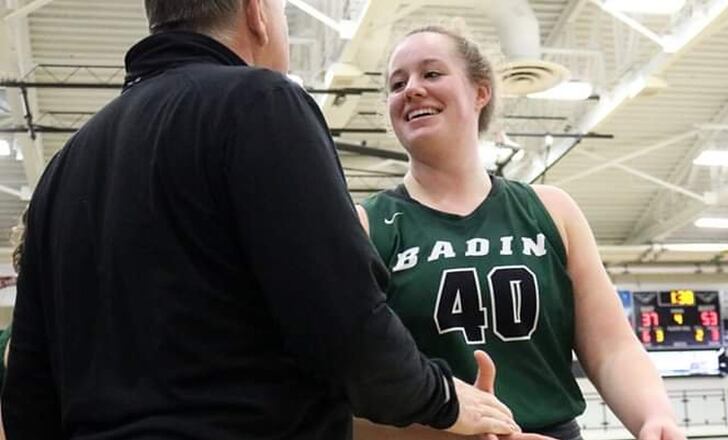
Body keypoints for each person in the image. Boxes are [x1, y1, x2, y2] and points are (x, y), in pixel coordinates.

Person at [1, 3, 522, 439]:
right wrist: (441, 397)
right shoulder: (260, 101)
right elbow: (343, 324)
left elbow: (28, 388)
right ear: (258, 14)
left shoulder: (64, 167)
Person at [355, 26, 686, 440]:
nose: (412, 89)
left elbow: (611, 348)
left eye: (432, 74)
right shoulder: (367, 225)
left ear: (481, 92)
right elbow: (351, 395)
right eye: (397, 83)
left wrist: (653, 416)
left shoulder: (550, 209)